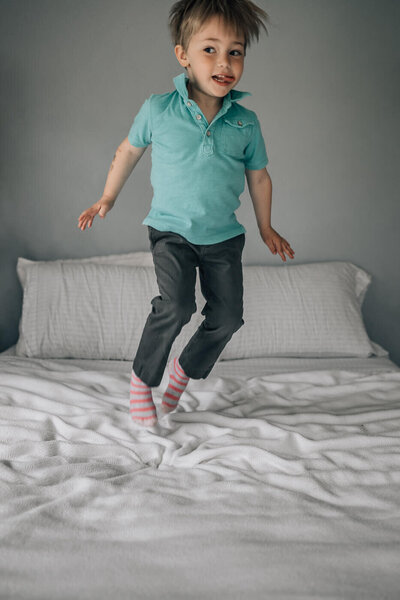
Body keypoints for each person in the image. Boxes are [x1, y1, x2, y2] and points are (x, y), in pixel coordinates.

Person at [78, 0, 295, 428]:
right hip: (171, 232)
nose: (224, 62)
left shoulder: (245, 122)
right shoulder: (159, 109)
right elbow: (128, 151)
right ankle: (143, 380)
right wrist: (107, 198)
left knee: (228, 317)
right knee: (176, 306)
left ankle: (184, 371)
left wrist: (266, 226)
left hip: (223, 237)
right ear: (183, 55)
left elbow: (260, 178)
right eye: (210, 50)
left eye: (235, 51)